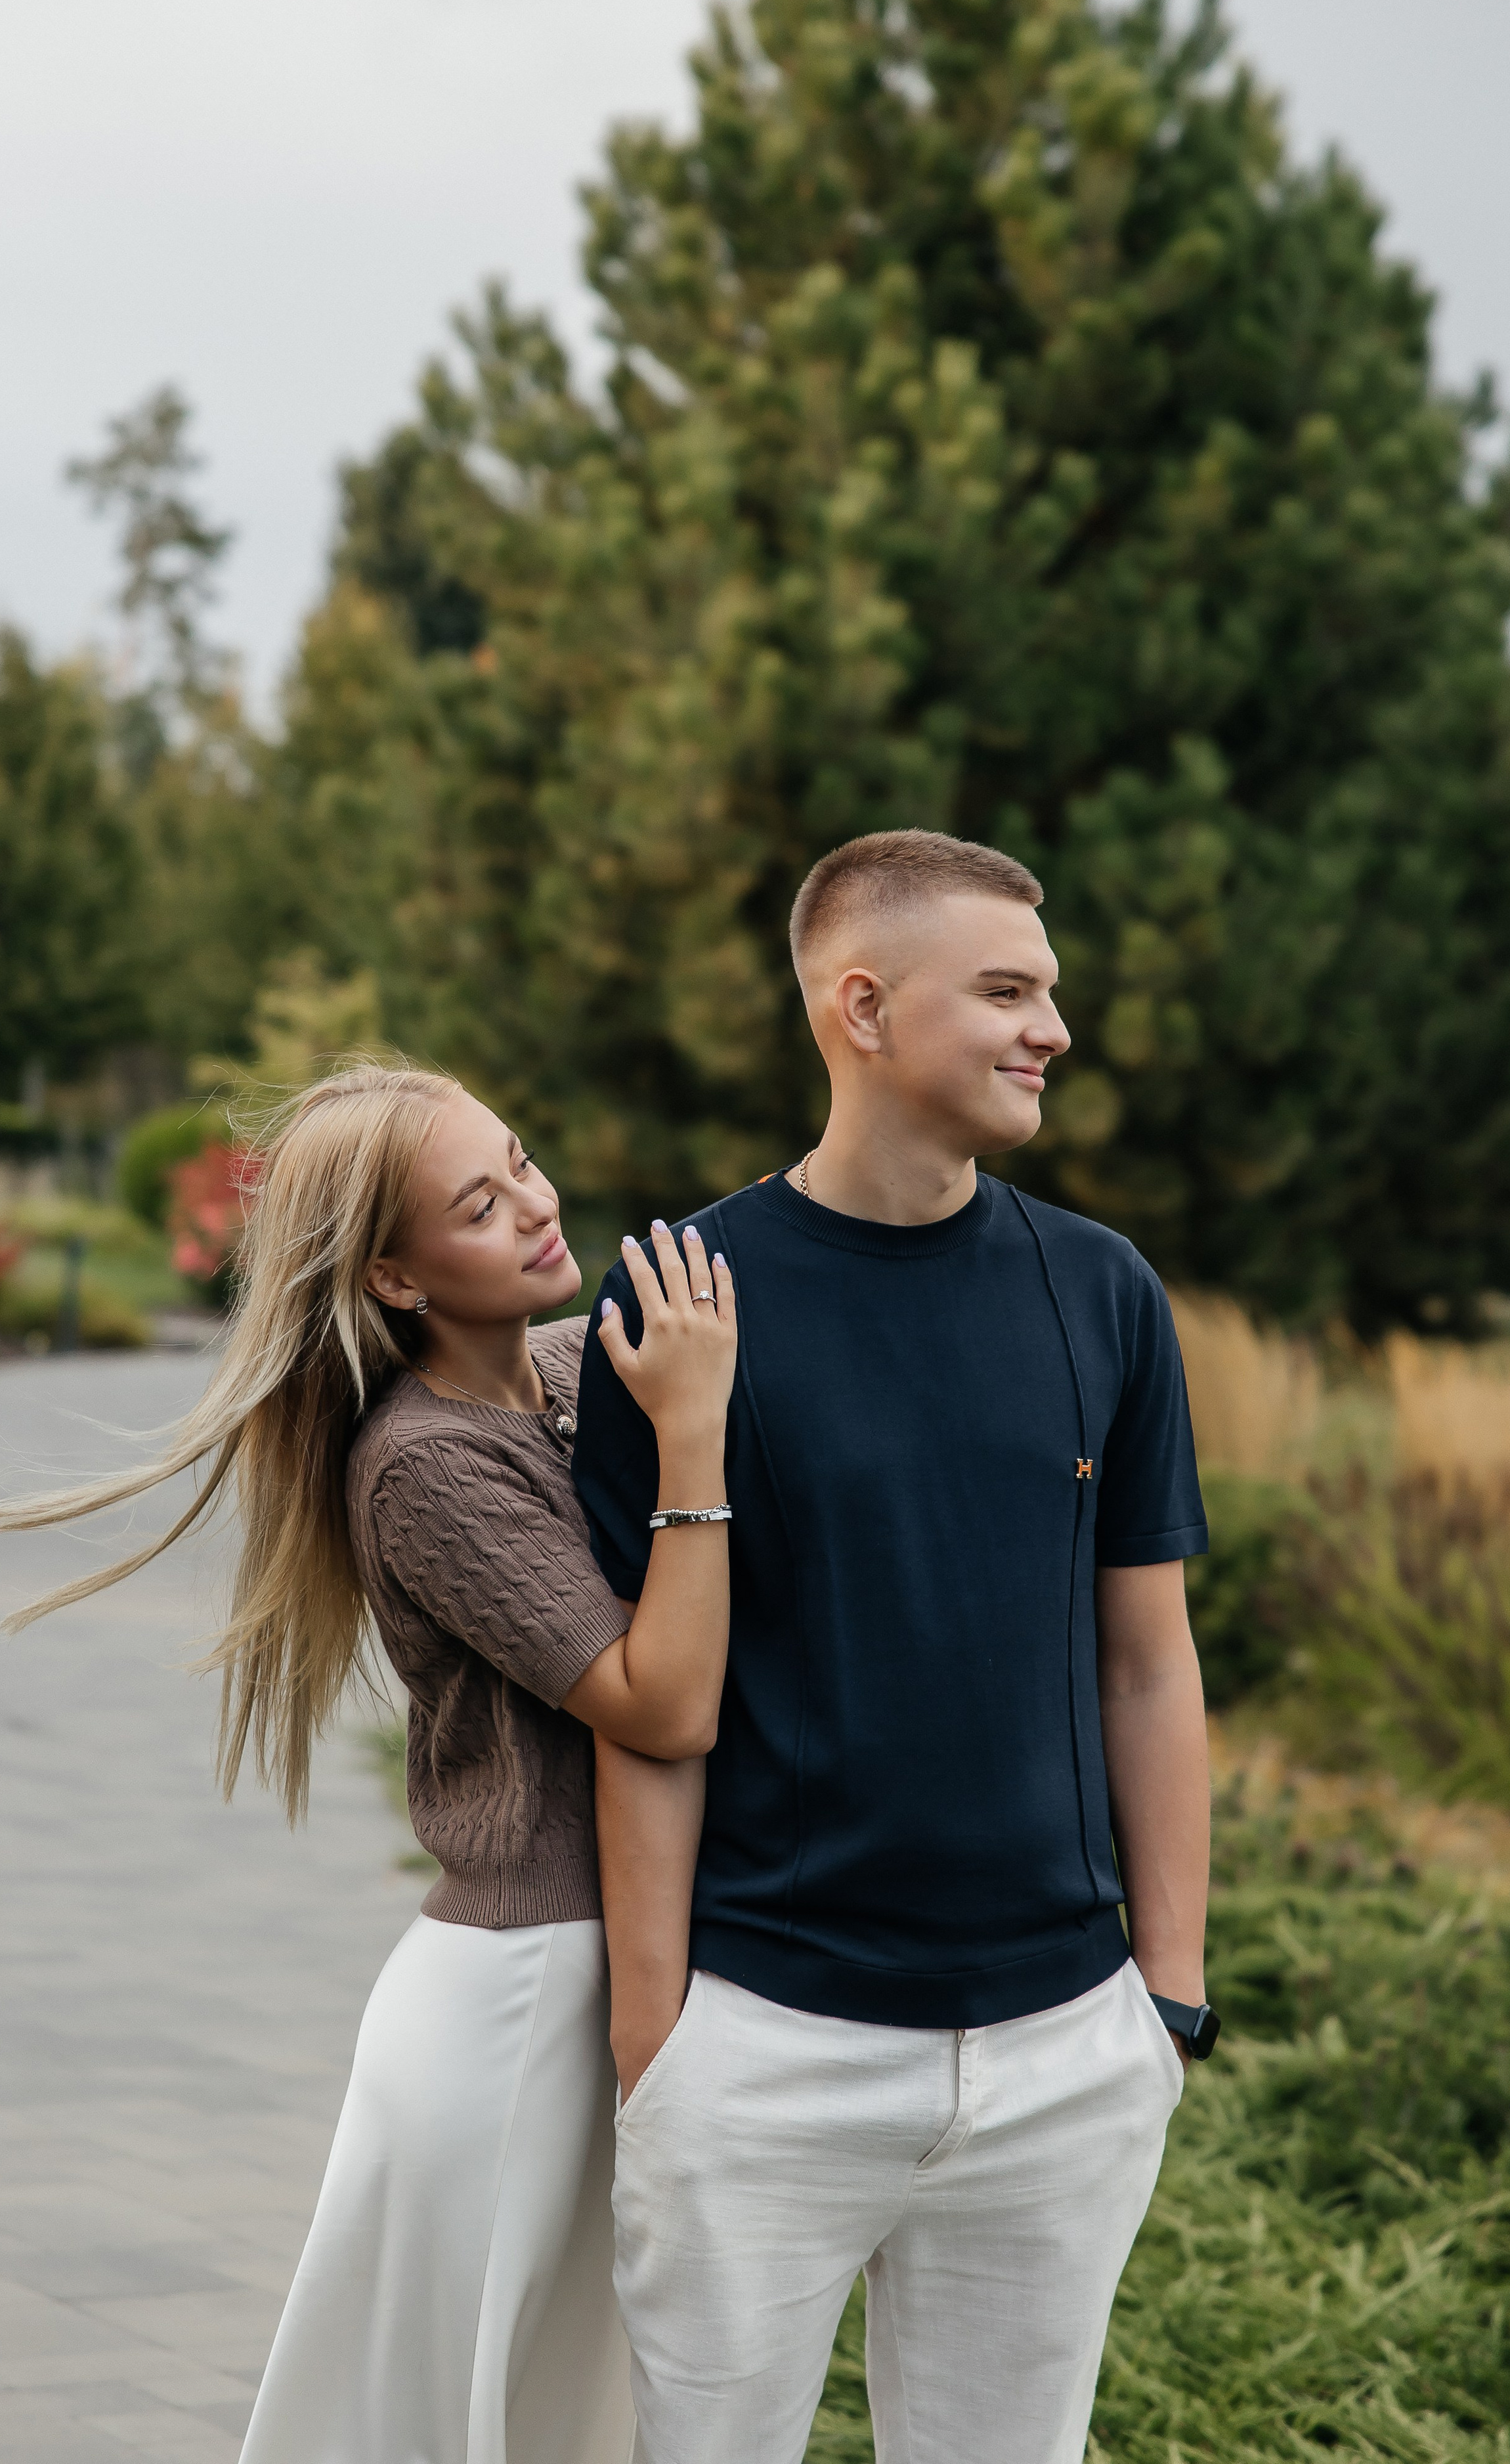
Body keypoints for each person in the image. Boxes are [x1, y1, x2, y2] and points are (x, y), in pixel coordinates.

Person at [0, 1061, 736, 2464]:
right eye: (478, 1205)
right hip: (522, 2000)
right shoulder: (420, 1463)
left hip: (605, 1969)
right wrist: (692, 1437)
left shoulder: (575, 1373)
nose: (534, 1207)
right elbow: (661, 1705)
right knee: (447, 2420)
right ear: (392, 1277)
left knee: (559, 2414)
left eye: (520, 1161)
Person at [572, 830, 1217, 2464]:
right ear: (860, 1008)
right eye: (1004, 991)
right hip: (765, 2042)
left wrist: (1165, 1999)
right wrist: (657, 2044)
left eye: (1047, 992)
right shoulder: (680, 1301)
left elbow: (1146, 1664)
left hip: (1064, 2049)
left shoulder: (1102, 1291)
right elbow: (646, 1705)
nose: (1050, 1029)